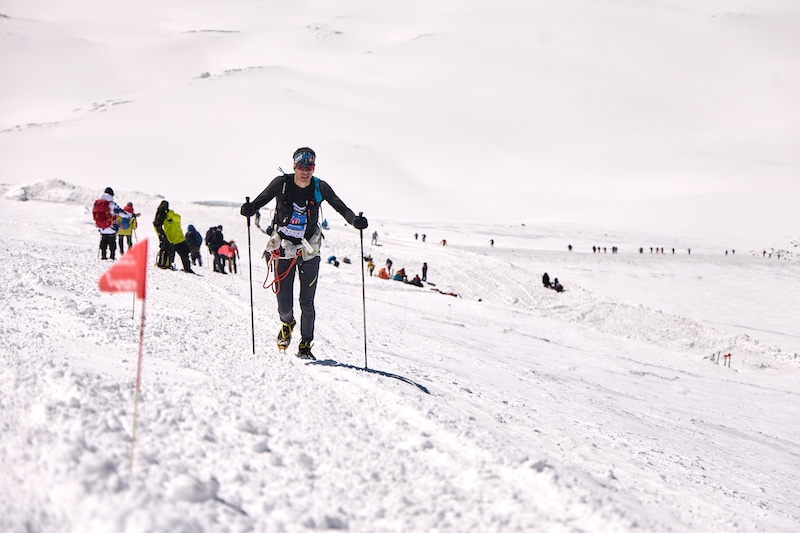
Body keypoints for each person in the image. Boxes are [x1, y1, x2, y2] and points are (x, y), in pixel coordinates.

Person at [240, 147, 368, 360]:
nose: (305, 171)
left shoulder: (320, 186)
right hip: (283, 250)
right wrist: (249, 208)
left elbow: (341, 207)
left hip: (309, 250)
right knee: (284, 304)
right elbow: (259, 201)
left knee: (307, 302)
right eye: (301, 166)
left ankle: (306, 345)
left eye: (310, 166)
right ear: (294, 166)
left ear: (314, 168)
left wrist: (355, 220)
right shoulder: (281, 183)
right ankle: (287, 323)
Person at [92, 187, 132, 261]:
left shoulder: (97, 203)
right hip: (111, 226)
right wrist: (130, 215)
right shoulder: (111, 204)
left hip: (101, 227)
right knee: (112, 241)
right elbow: (121, 213)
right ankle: (112, 256)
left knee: (103, 239)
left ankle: (103, 255)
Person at [154, 200, 193, 273]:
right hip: (179, 238)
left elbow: (156, 226)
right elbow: (178, 218)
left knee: (169, 253)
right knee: (184, 255)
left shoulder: (161, 216)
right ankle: (187, 268)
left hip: (169, 239)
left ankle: (166, 264)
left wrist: (161, 236)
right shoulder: (174, 215)